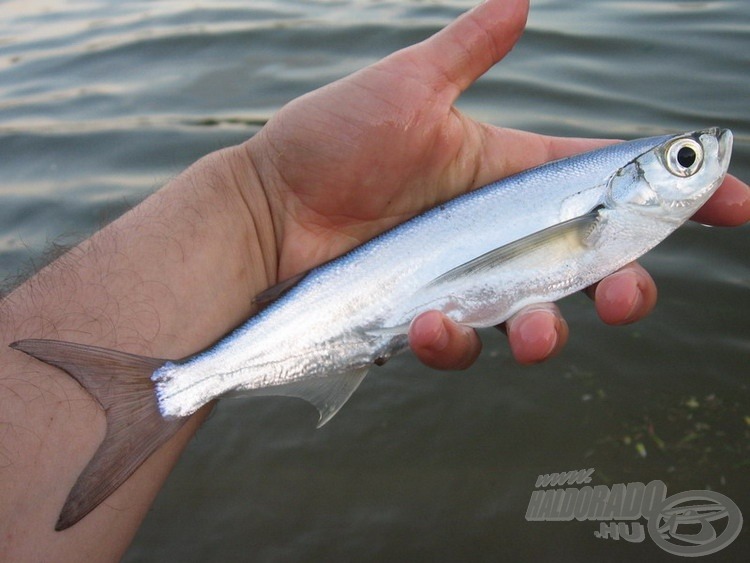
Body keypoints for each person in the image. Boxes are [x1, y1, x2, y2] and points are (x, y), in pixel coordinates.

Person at [1, 0, 747, 558]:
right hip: (353, 298)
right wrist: (258, 197)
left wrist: (255, 204)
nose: (707, 156)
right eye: (684, 159)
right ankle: (170, 387)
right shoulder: (597, 207)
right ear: (624, 186)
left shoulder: (609, 211)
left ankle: (173, 386)